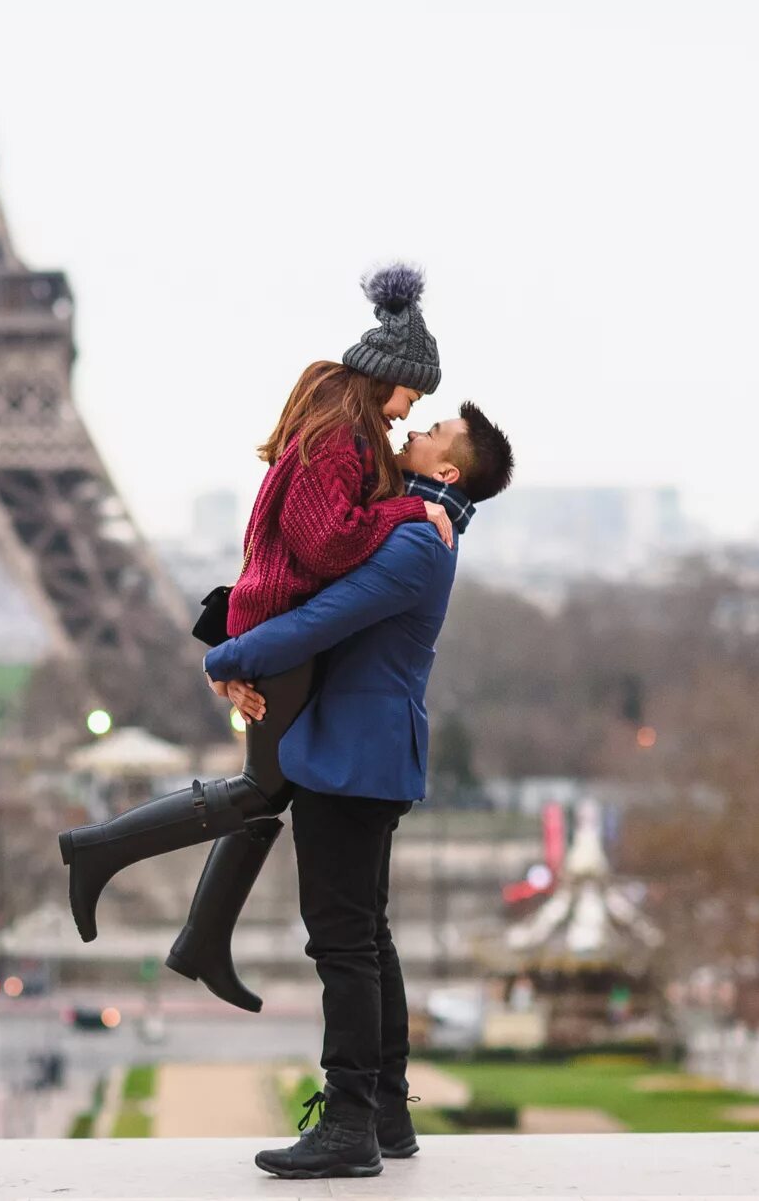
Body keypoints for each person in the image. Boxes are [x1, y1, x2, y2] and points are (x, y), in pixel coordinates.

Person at [58, 265, 450, 960]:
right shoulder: (337, 438)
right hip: (279, 634)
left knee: (269, 790)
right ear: (385, 376)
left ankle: (202, 940)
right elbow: (328, 544)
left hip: (272, 629)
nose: (407, 413)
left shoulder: (339, 431)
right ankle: (99, 851)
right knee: (258, 789)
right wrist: (408, 507)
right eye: (410, 395)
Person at [205, 403, 515, 1180]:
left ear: (447, 472)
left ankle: (349, 1121)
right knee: (365, 936)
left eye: (434, 432)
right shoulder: (412, 526)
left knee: (341, 940)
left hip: (351, 760)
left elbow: (320, 621)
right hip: (366, 757)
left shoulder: (415, 541)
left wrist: (222, 658)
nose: (418, 428)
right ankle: (384, 1111)